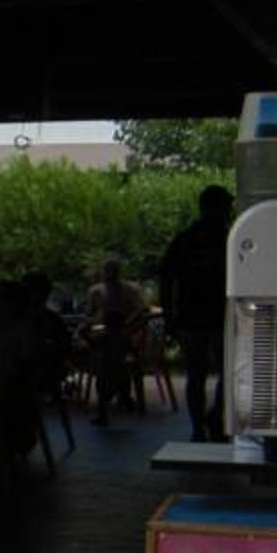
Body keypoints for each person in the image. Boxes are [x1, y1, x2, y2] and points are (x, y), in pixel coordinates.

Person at [160, 186, 235, 439]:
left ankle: (197, 428)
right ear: (224, 208)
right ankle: (214, 419)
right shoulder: (229, 238)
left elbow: (166, 279)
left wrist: (169, 316)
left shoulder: (184, 239)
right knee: (228, 373)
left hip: (190, 318)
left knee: (196, 375)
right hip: (221, 318)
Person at [84, 257, 148, 427]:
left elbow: (142, 311)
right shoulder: (96, 291)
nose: (109, 273)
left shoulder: (130, 290)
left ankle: (115, 401)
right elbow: (89, 314)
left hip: (122, 336)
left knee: (108, 367)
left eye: (113, 269)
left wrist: (128, 326)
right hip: (109, 335)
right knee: (113, 366)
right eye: (107, 269)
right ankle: (122, 397)